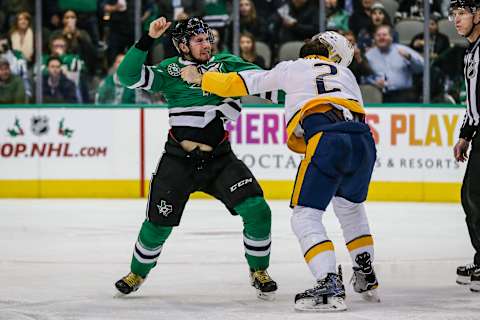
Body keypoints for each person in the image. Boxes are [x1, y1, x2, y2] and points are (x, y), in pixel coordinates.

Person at [182, 31, 379, 312]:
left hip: (327, 138)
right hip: (363, 140)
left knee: (305, 216)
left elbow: (242, 82)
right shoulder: (347, 76)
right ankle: (366, 272)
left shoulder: (291, 68)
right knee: (351, 208)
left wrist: (202, 78)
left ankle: (329, 282)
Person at [114, 16, 278, 300]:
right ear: (182, 45)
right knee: (158, 224)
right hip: (178, 161)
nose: (206, 44)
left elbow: (269, 84)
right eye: (199, 40)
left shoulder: (226, 64)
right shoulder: (170, 70)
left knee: (257, 209)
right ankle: (137, 272)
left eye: (208, 38)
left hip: (220, 159)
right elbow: (126, 77)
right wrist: (147, 39)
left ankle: (259, 271)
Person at [450, 0, 480, 293]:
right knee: (471, 197)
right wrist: (465, 135)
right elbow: (473, 103)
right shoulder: (470, 52)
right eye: (454, 14)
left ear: (478, 15)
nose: (457, 20)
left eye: (463, 14)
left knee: (474, 197)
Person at [365, 24, 424, 102]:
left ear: (391, 37)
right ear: (374, 38)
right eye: (378, 35)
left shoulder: (403, 50)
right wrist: (374, 82)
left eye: (384, 35)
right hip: (379, 96)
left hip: (404, 96)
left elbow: (422, 68)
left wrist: (410, 58)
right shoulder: (368, 55)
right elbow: (364, 77)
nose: (381, 37)